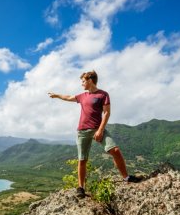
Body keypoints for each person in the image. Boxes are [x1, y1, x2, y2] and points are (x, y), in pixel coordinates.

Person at [48, 70, 140, 198]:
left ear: (90, 80)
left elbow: (107, 113)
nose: (82, 84)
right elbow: (68, 97)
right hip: (82, 131)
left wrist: (100, 130)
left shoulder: (103, 95)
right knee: (82, 159)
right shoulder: (82, 96)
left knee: (115, 150)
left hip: (98, 128)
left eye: (83, 81)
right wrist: (57, 95)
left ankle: (126, 177)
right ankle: (81, 187)